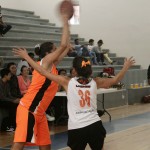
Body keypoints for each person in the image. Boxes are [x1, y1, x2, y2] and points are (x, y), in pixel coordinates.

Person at [13, 47, 135, 149]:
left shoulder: (67, 81)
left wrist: (27, 57)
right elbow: (116, 79)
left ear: (75, 70)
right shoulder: (96, 81)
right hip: (95, 125)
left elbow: (42, 71)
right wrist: (126, 66)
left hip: (77, 128)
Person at [11, 9, 70, 150]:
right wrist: (65, 21)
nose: (57, 51)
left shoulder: (52, 65)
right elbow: (63, 46)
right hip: (28, 108)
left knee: (46, 146)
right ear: (48, 53)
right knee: (19, 143)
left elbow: (65, 46)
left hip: (39, 112)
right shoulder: (45, 61)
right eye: (54, 49)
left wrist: (68, 28)